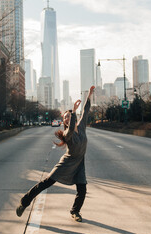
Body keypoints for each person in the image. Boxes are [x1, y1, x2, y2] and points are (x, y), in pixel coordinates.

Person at [16, 86, 95, 222]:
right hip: (66, 163)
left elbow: (86, 111)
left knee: (82, 190)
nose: (67, 119)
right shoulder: (66, 133)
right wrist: (74, 112)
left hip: (79, 163)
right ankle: (24, 202)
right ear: (64, 121)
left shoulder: (81, 127)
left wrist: (89, 96)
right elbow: (70, 130)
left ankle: (75, 211)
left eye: (69, 116)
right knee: (46, 183)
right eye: (65, 118)